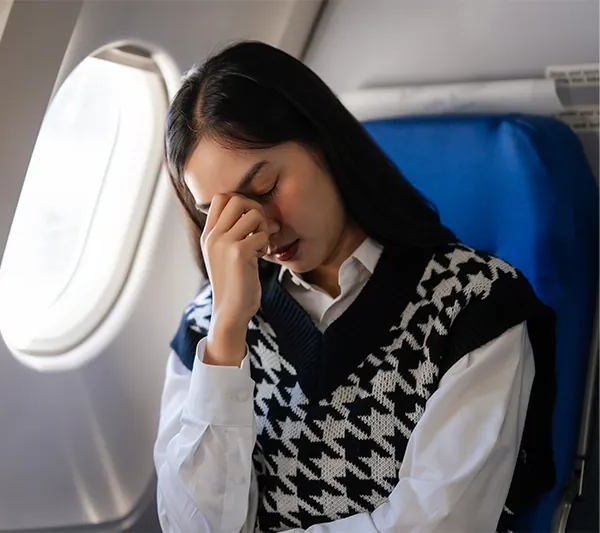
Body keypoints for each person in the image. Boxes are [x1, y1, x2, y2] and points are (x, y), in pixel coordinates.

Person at [153, 40, 556, 533]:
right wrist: (228, 335)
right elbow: (191, 526)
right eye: (220, 214)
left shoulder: (473, 304)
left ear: (323, 141)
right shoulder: (206, 327)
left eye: (263, 189)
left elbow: (436, 523)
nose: (258, 225)